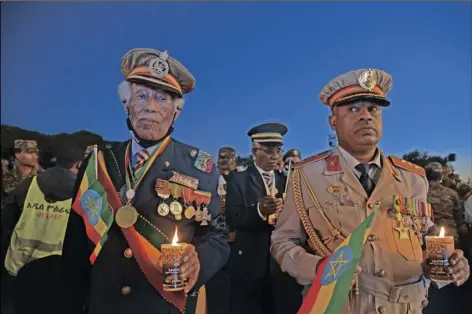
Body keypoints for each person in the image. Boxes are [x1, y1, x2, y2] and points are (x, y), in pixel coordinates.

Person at [271, 69, 470, 314]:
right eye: (353, 109)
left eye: (373, 109)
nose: (365, 116)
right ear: (333, 122)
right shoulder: (306, 176)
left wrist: (447, 262)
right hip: (339, 305)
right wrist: (317, 267)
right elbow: (283, 243)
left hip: (405, 306)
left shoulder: (413, 178)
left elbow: (425, 234)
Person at [61, 48, 230, 314]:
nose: (151, 106)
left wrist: (199, 261)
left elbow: (217, 237)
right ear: (126, 104)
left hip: (163, 303)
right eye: (141, 96)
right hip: (104, 304)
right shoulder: (98, 163)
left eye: (162, 98)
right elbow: (75, 249)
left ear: (176, 112)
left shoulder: (201, 168)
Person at [226, 122, 302, 314]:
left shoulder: (286, 181)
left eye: (278, 151)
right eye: (269, 151)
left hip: (281, 266)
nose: (275, 157)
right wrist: (259, 210)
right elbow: (233, 218)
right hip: (250, 265)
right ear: (255, 151)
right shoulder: (239, 179)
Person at [1, 141, 83, 314]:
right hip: (59, 276)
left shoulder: (28, 185)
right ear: (78, 164)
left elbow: (6, 222)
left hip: (19, 269)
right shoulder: (83, 194)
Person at [425, 162, 467, 244]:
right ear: (441, 176)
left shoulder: (421, 194)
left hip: (429, 237)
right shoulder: (452, 193)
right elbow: (459, 218)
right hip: (450, 237)